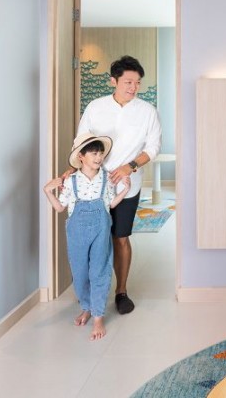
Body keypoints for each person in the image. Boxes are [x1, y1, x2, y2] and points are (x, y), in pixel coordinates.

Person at [71, 54, 162, 316]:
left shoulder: (147, 111)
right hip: (93, 184)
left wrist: (129, 166)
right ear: (114, 81)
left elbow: (153, 147)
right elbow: (81, 141)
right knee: (92, 239)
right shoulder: (95, 107)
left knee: (120, 238)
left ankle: (121, 291)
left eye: (138, 82)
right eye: (128, 82)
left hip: (126, 186)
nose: (134, 87)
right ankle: (90, 293)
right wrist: (76, 170)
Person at [44, 133, 130, 340]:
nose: (99, 157)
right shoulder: (70, 181)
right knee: (80, 272)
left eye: (100, 153)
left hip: (101, 230)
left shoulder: (106, 178)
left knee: (99, 271)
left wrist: (125, 190)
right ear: (81, 156)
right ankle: (87, 307)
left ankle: (98, 316)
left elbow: (110, 204)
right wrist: (47, 191)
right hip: (77, 233)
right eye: (93, 153)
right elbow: (60, 207)